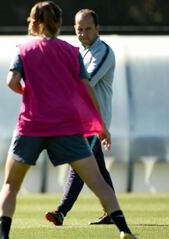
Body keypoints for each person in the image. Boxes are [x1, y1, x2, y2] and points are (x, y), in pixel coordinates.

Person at [0, 1, 147, 239]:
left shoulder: (23, 49)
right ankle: (124, 231)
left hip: (31, 124)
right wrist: (100, 124)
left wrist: (29, 93)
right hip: (66, 126)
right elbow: (86, 88)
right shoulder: (71, 51)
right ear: (60, 24)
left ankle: (3, 238)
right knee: (98, 181)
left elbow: (11, 81)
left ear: (32, 21)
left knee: (10, 185)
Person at [45, 9, 117, 226]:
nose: (83, 33)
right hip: (80, 121)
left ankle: (61, 211)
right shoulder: (81, 52)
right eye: (79, 29)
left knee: (79, 164)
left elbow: (85, 82)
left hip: (93, 122)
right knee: (96, 168)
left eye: (88, 29)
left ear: (97, 29)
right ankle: (113, 212)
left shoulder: (102, 51)